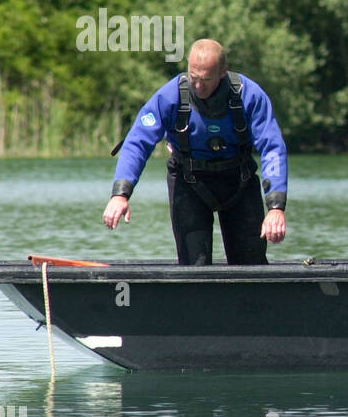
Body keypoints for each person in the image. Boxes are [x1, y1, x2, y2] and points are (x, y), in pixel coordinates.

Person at [103, 38, 288, 264]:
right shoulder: (170, 96)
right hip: (188, 183)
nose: (198, 87)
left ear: (223, 72)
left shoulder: (249, 95)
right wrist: (120, 194)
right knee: (194, 267)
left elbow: (273, 149)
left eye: (206, 80)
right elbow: (137, 142)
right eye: (194, 78)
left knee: (251, 265)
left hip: (239, 181)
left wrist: (276, 207)